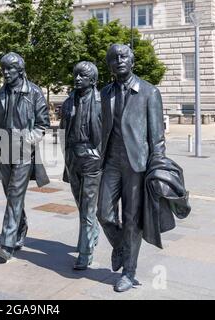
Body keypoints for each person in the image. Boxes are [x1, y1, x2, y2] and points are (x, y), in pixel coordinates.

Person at [97, 44, 166, 292]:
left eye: (123, 56)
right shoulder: (105, 93)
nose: (119, 60)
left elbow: (157, 138)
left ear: (132, 60)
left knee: (131, 219)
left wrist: (157, 168)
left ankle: (129, 271)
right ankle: (121, 246)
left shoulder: (149, 92)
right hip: (111, 162)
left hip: (137, 164)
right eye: (113, 58)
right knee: (103, 213)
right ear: (109, 65)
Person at [0, 52, 50, 262]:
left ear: (20, 70)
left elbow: (43, 125)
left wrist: (27, 140)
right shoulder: (0, 95)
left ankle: (7, 244)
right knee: (11, 196)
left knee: (15, 194)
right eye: (4, 69)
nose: (6, 73)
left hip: (25, 152)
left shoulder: (33, 93)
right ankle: (21, 225)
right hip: (4, 150)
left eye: (10, 69)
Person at [59, 61, 102, 270]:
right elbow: (62, 131)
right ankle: (92, 232)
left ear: (92, 80)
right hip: (73, 157)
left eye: (82, 76)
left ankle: (85, 253)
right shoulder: (68, 103)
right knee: (80, 203)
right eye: (76, 75)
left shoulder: (103, 102)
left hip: (93, 158)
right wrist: (66, 157)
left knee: (87, 206)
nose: (77, 79)